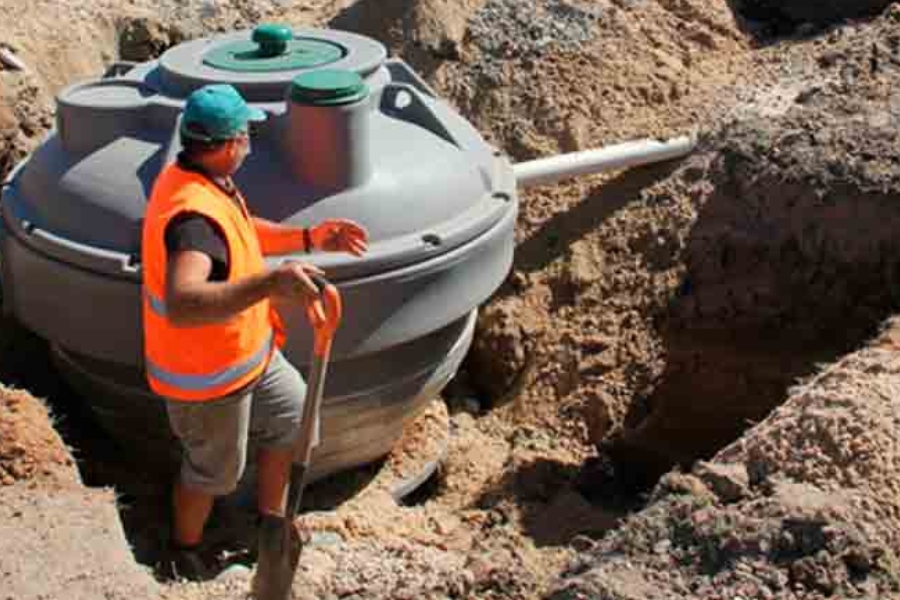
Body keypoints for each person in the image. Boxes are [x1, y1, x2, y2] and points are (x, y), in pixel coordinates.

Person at [141, 83, 367, 580]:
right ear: (226, 145)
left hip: (250, 356)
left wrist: (309, 238)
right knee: (214, 472)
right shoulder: (192, 218)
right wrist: (271, 281)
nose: (249, 145)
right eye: (244, 137)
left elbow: (240, 231)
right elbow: (183, 302)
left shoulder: (205, 180)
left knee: (293, 421)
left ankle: (269, 529)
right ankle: (182, 554)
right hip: (208, 377)